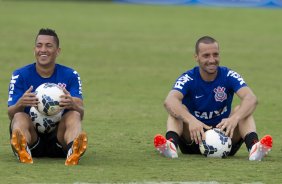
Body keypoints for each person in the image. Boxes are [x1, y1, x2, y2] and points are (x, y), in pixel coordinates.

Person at [154, 36, 272, 161]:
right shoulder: (188, 78)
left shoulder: (228, 75)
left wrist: (235, 118)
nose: (212, 60)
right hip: (195, 138)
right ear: (196, 57)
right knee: (178, 109)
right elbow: (169, 101)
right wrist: (191, 120)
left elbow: (251, 98)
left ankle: (255, 148)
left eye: (215, 55)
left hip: (225, 138)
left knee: (241, 110)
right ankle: (170, 145)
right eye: (206, 55)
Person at [8, 28, 88, 166]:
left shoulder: (71, 75)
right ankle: (23, 150)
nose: (43, 49)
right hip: (33, 137)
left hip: (59, 138)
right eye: (39, 45)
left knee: (74, 114)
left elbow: (81, 112)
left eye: (48, 46)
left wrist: (72, 104)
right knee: (19, 116)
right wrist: (20, 103)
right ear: (34, 49)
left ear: (58, 51)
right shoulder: (20, 75)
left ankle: (73, 151)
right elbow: (10, 113)